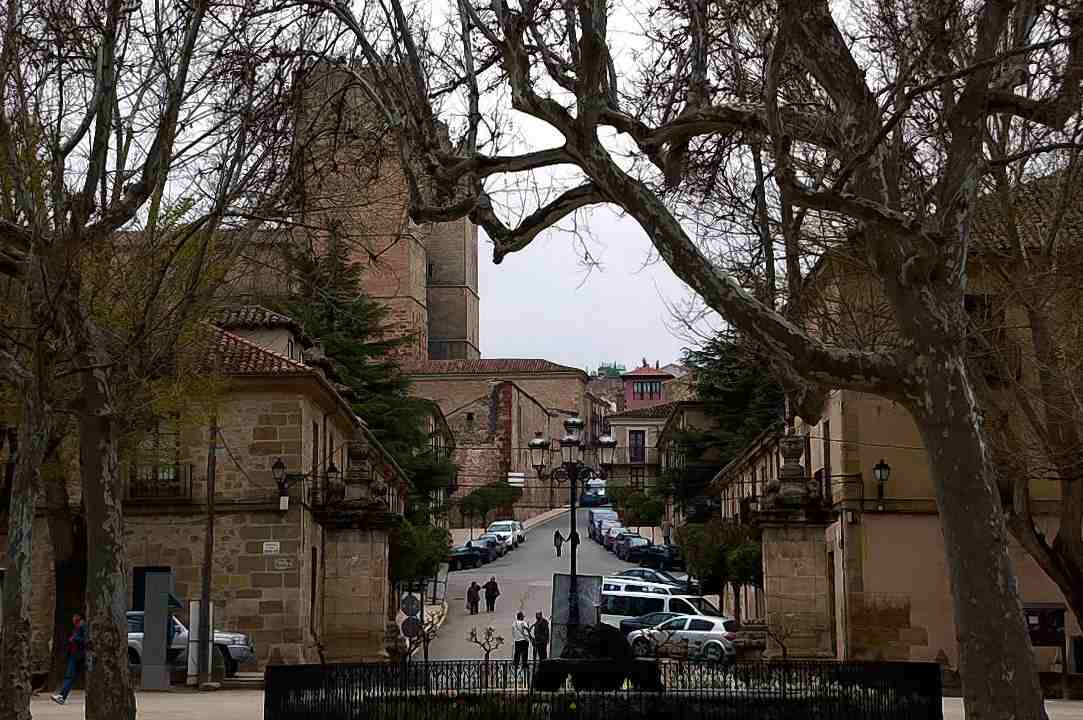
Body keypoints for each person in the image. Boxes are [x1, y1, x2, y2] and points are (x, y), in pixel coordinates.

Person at [52, 612, 87, 705]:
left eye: (75, 617)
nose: (73, 619)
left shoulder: (83, 627)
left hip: (79, 656)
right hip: (75, 655)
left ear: (80, 618)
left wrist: (75, 638)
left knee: (70, 676)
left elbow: (86, 641)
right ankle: (62, 696)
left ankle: (62, 696)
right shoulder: (77, 627)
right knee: (70, 676)